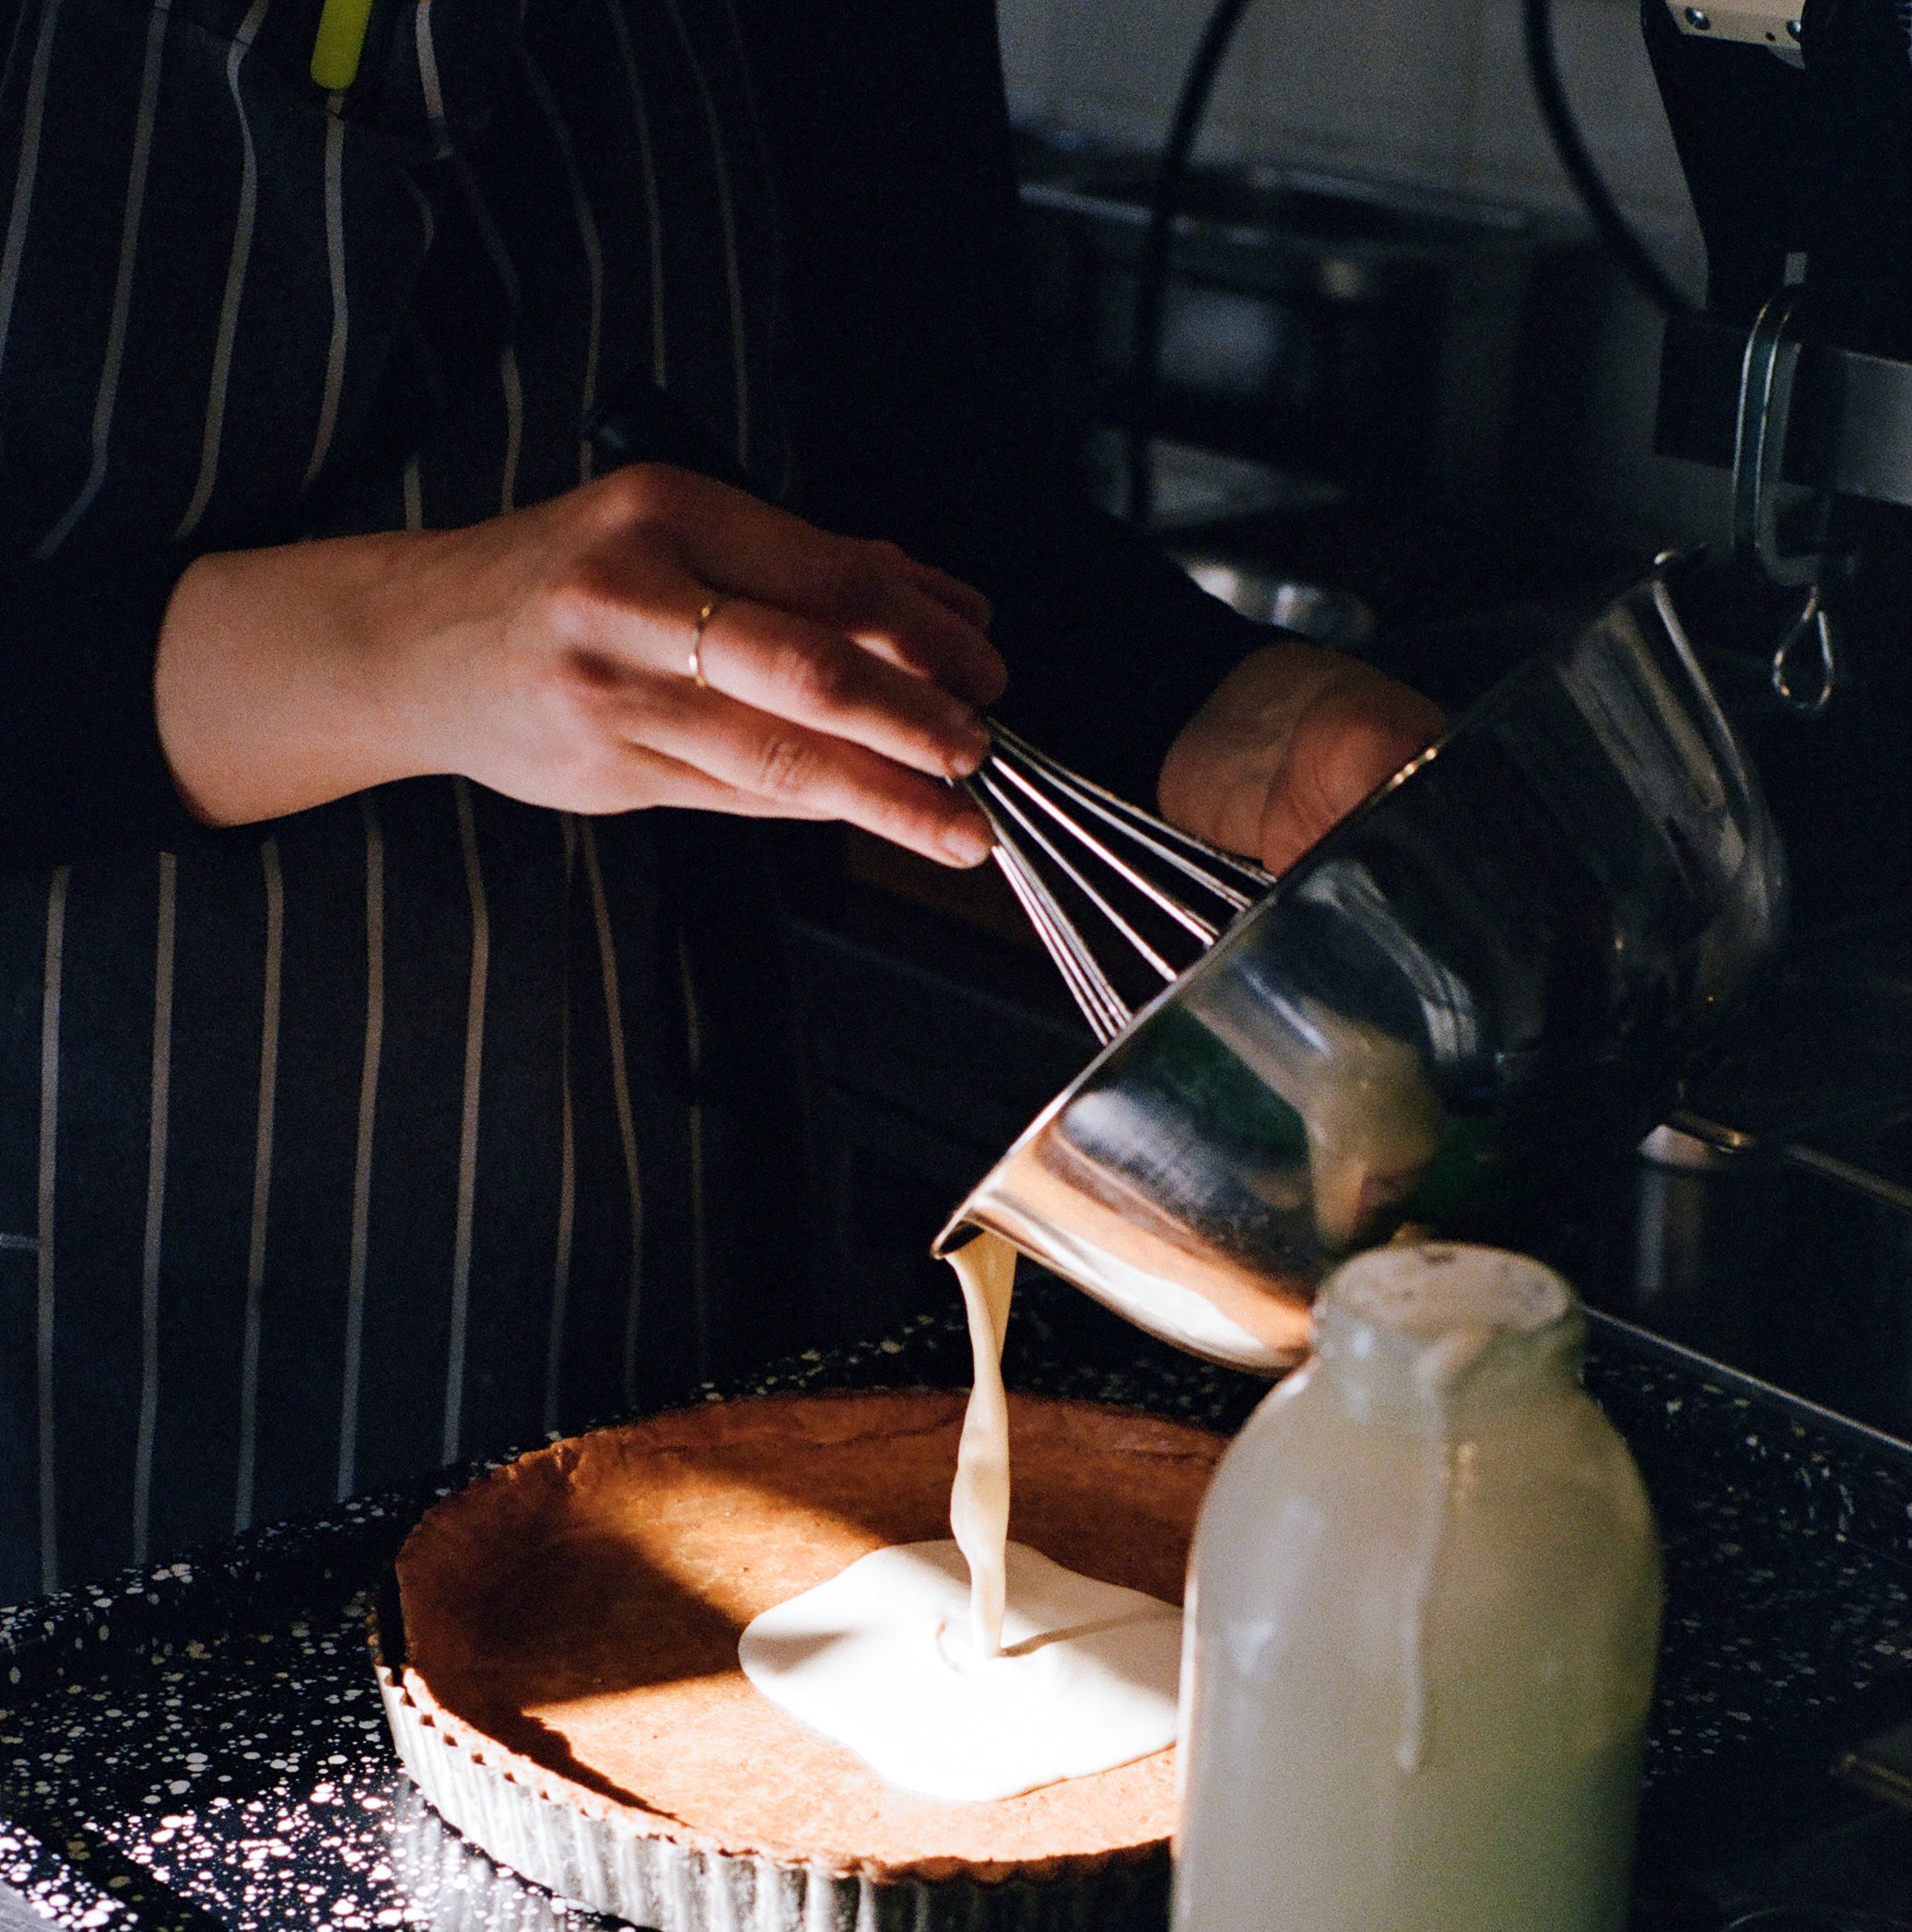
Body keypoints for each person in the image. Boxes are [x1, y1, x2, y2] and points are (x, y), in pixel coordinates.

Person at [0, 0, 1438, 1603]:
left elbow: (931, 475)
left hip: (662, 1209)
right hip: (96, 1295)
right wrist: (393, 644)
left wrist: (1220, 712)